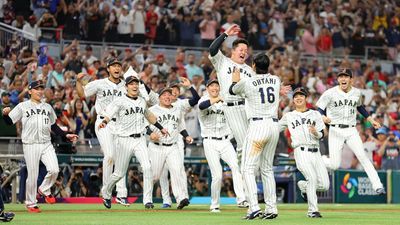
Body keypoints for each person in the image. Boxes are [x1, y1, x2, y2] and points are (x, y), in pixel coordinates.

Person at [2, 80, 78, 213]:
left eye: (41, 88)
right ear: (30, 91)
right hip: (30, 144)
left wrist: (66, 135)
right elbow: (9, 122)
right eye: (37, 88)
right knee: (32, 174)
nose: (40, 91)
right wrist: (5, 114)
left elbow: (54, 126)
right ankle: (31, 203)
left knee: (54, 169)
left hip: (46, 143)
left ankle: (44, 189)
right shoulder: (22, 106)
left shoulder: (48, 107)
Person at [229, 53, 286, 220]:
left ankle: (253, 207)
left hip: (257, 126)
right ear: (268, 66)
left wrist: (235, 79)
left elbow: (232, 90)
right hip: (273, 126)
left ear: (253, 65)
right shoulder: (275, 80)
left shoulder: (248, 81)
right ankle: (272, 208)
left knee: (247, 168)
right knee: (267, 169)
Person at [98, 75, 168, 209]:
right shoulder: (119, 101)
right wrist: (104, 122)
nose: (134, 86)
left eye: (136, 83)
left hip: (140, 139)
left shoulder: (142, 101)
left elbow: (149, 116)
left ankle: (147, 200)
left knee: (147, 168)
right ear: (126, 87)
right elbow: (109, 114)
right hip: (124, 140)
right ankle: (106, 193)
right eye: (131, 84)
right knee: (119, 173)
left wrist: (161, 128)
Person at [316, 68, 385, 194]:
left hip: (351, 130)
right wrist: (322, 117)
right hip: (335, 130)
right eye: (341, 76)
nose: (343, 79)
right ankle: (319, 159)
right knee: (335, 165)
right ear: (338, 79)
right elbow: (319, 109)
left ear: (351, 79)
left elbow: (360, 107)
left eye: (346, 76)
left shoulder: (356, 93)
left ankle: (377, 185)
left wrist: (371, 119)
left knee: (363, 157)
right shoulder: (330, 93)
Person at [76, 58, 130, 206]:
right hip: (103, 122)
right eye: (114, 66)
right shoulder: (99, 83)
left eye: (119, 65)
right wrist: (78, 82)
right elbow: (82, 95)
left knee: (121, 158)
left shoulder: (126, 85)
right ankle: (106, 192)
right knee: (110, 155)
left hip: (121, 124)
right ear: (108, 69)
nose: (117, 68)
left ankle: (121, 194)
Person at [279, 87, 329, 218]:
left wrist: (316, 133)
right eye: (296, 96)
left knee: (325, 185)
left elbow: (324, 133)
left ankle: (303, 186)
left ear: (306, 98)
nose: (298, 98)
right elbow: (275, 128)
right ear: (293, 100)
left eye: (301, 96)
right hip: (301, 151)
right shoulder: (288, 116)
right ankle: (313, 210)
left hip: (316, 151)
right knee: (312, 178)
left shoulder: (315, 114)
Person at [198, 79, 248, 212]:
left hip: (225, 141)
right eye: (211, 86)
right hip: (210, 141)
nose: (214, 88)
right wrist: (219, 98)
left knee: (236, 167)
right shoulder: (203, 99)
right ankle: (214, 204)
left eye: (216, 85)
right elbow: (202, 107)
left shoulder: (225, 101)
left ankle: (241, 199)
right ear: (207, 88)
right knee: (217, 175)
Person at [208, 24, 253, 164]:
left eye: (246, 50)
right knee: (244, 144)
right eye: (241, 49)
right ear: (233, 51)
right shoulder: (223, 62)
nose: (244, 52)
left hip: (247, 108)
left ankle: (242, 175)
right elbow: (213, 49)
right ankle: (243, 176)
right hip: (231, 106)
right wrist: (226, 34)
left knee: (249, 144)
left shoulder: (250, 70)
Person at [148, 88, 193, 210]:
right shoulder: (152, 110)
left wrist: (186, 136)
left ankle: (181, 199)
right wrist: (149, 134)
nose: (167, 96)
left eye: (169, 94)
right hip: (157, 147)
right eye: (164, 94)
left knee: (177, 171)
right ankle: (147, 199)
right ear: (159, 97)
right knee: (155, 176)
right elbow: (143, 125)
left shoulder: (177, 110)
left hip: (173, 146)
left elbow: (181, 127)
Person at [158, 78, 200, 208]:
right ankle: (166, 199)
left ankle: (183, 196)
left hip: (177, 140)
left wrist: (190, 87)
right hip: (161, 141)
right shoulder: (159, 103)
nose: (174, 92)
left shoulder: (181, 103)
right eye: (172, 90)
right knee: (162, 172)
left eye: (177, 90)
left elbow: (195, 99)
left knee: (179, 169)